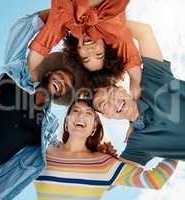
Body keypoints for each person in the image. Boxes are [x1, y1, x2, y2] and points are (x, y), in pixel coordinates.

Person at [0, 12, 75, 200]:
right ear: (49, 72)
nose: (63, 82)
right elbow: (22, 30)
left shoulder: (48, 129)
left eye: (68, 85)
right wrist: (62, 11)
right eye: (61, 75)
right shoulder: (16, 72)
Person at [34, 99, 178, 200]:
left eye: (89, 113)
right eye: (75, 110)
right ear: (66, 122)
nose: (81, 115)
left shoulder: (104, 165)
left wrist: (179, 143)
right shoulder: (43, 152)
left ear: (94, 128)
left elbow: (155, 180)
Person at [93, 21, 185, 166]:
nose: (112, 101)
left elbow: (144, 32)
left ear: (122, 89)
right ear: (106, 116)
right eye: (104, 104)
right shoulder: (138, 144)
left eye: (111, 93)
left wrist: (96, 24)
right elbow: (113, 180)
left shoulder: (151, 80)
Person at [27, 0, 142, 100]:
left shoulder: (64, 19)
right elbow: (135, 73)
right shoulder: (114, 26)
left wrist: (33, 80)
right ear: (106, 46)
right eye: (98, 54)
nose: (90, 50)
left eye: (85, 58)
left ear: (77, 51)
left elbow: (41, 46)